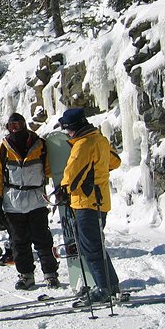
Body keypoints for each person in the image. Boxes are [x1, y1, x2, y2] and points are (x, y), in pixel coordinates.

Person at [0, 113, 59, 290]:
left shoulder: (40, 146)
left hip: (37, 201)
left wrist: (63, 185)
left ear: (24, 125)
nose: (15, 129)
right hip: (13, 204)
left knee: (43, 241)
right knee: (19, 243)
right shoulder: (3, 150)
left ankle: (50, 274)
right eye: (12, 126)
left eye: (18, 125)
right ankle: (26, 275)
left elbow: (51, 169)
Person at [59, 107, 122, 304]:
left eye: (66, 128)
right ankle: (111, 285)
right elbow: (115, 161)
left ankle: (103, 288)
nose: (66, 132)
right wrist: (97, 171)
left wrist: (63, 189)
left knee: (90, 247)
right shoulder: (99, 139)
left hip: (86, 201)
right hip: (100, 200)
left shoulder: (83, 144)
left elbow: (72, 174)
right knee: (96, 245)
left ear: (72, 127)